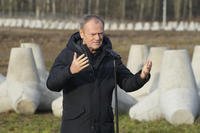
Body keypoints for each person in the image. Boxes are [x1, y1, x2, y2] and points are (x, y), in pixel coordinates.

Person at [46, 15, 152, 133]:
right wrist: (70, 71)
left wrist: (142, 76)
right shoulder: (68, 55)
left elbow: (127, 83)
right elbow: (51, 84)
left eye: (100, 33)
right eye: (93, 34)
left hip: (104, 127)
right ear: (82, 34)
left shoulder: (111, 58)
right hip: (76, 127)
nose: (97, 38)